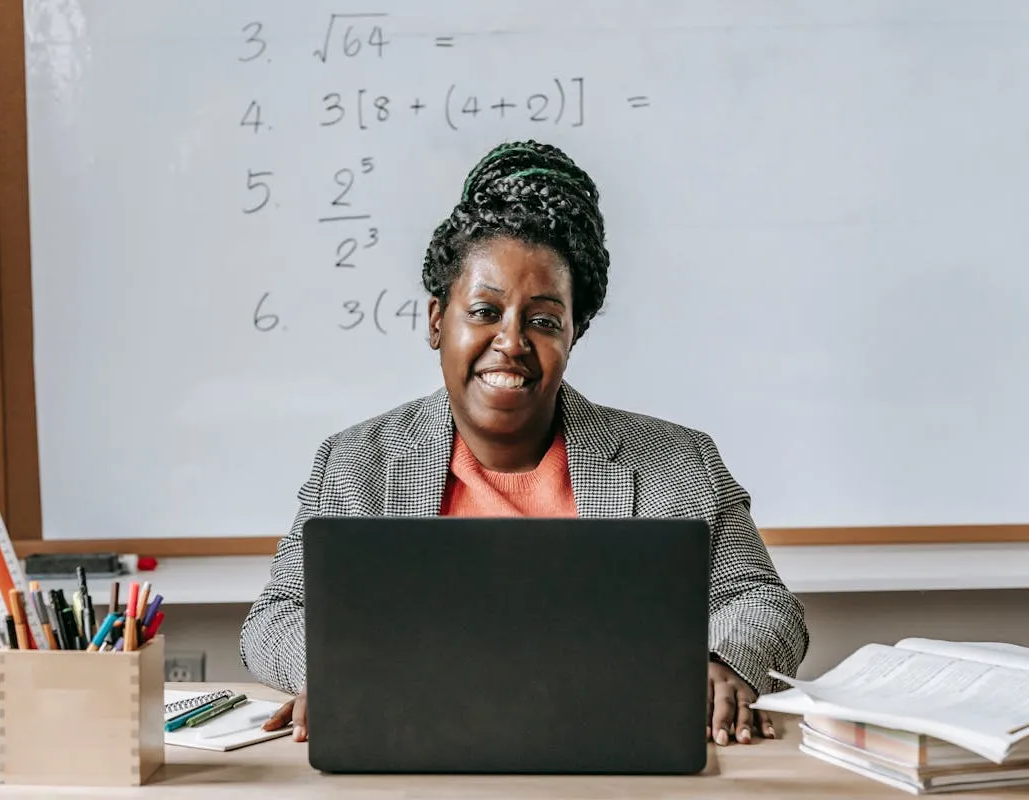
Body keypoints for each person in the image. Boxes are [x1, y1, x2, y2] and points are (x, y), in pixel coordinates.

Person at [240, 139, 809, 747]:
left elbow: (764, 604)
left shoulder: (677, 462)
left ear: (573, 335)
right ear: (438, 321)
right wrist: (336, 666)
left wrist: (723, 661)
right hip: (419, 753)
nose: (511, 341)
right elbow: (274, 617)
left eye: (542, 320)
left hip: (615, 758)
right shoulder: (357, 462)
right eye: (484, 311)